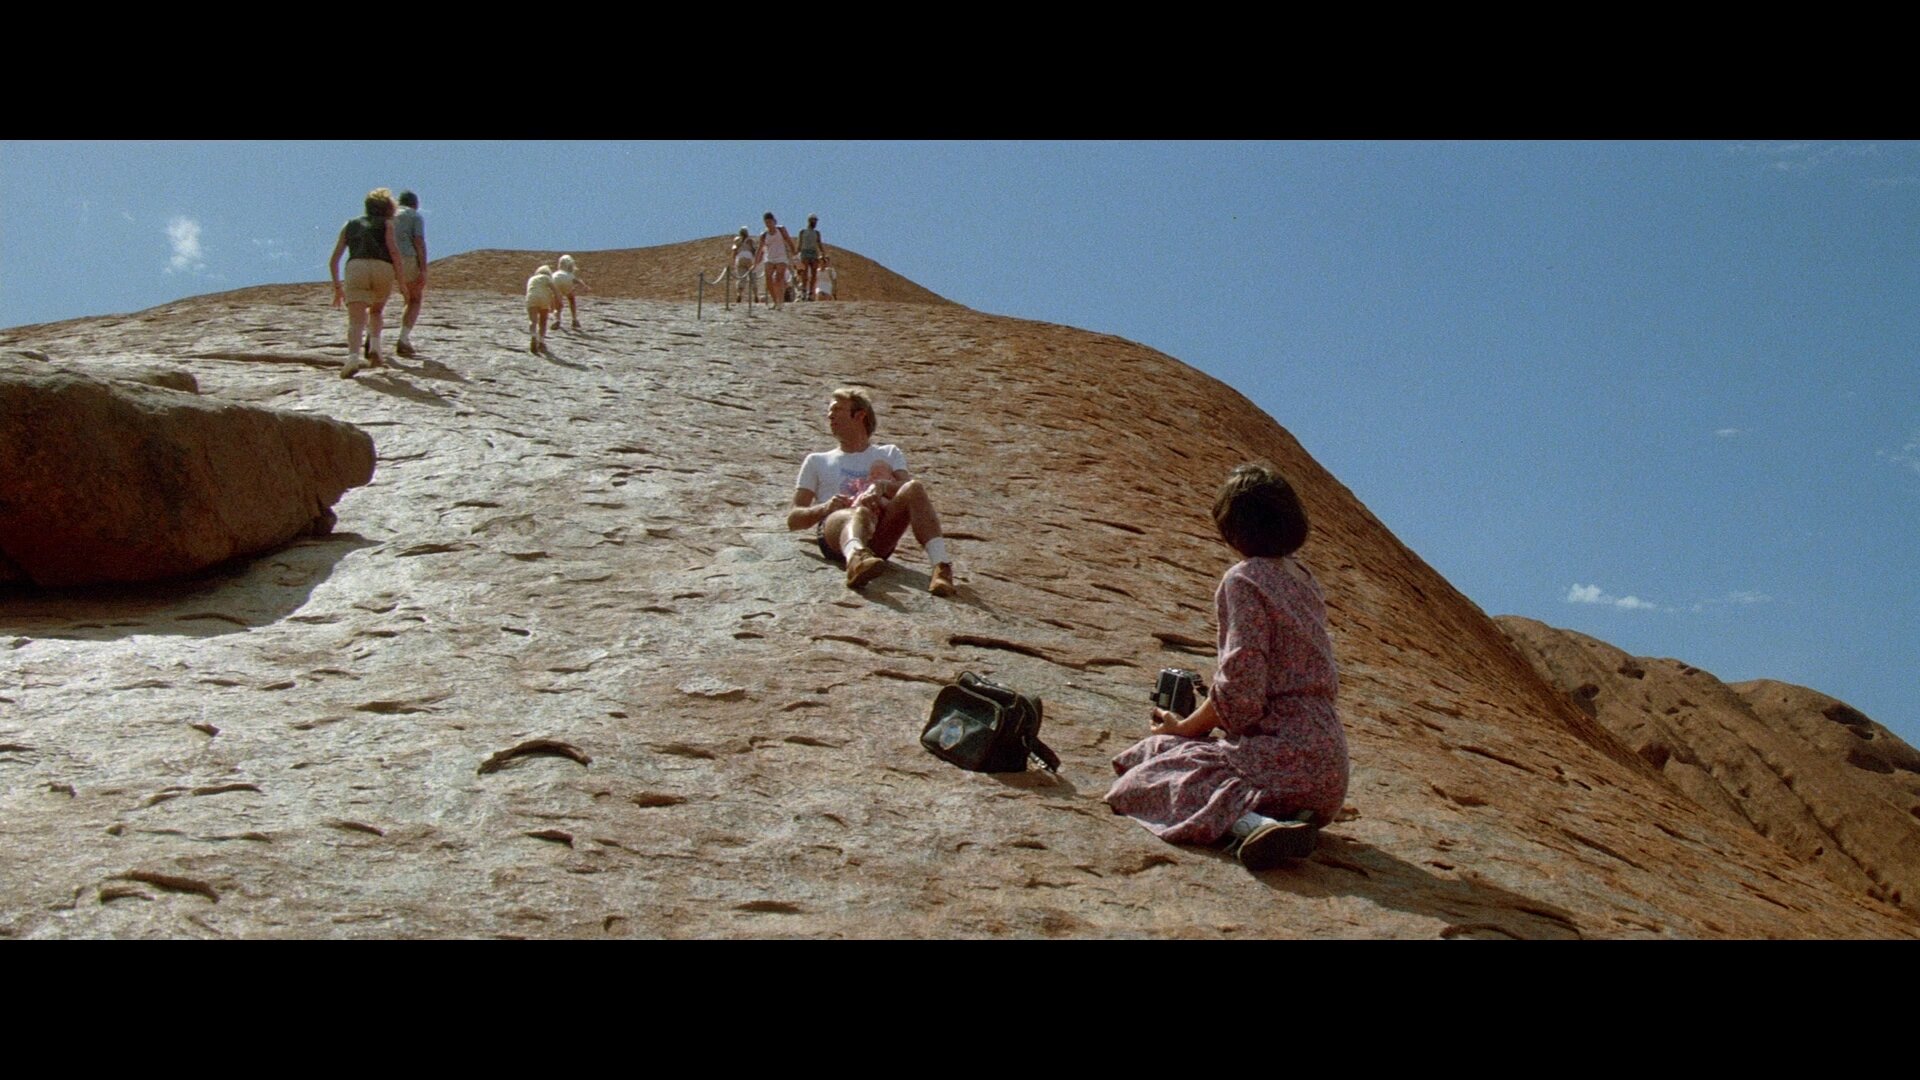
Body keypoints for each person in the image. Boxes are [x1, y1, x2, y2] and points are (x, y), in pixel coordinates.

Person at [1105, 462, 1347, 871]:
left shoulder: (1244, 579)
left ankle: (1254, 825)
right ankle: (1279, 821)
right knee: (1156, 751)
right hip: (1327, 770)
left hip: (1285, 756)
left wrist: (1185, 727)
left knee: (1145, 777)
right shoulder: (1304, 578)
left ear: (1233, 529)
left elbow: (1241, 687)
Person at [787, 387, 957, 597]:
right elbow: (793, 519)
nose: (830, 415)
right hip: (834, 533)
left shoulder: (889, 453)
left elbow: (907, 490)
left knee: (915, 487)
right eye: (830, 411)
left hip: (879, 535)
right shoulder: (817, 461)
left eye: (837, 409)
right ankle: (855, 558)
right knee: (859, 512)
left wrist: (882, 486)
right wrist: (824, 508)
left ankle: (941, 567)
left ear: (860, 415)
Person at [328, 187, 405, 378]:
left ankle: (353, 358)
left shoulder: (350, 225)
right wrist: (402, 282)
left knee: (356, 320)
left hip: (357, 267)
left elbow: (334, 259)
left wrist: (337, 288)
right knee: (376, 311)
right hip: (383, 268)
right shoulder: (387, 225)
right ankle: (376, 349)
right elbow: (394, 252)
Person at [391, 190, 427, 358]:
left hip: (385, 258)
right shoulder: (415, 216)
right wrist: (423, 268)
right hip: (406, 257)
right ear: (416, 204)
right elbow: (418, 241)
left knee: (378, 300)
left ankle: (372, 337)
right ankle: (403, 338)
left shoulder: (388, 215)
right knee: (414, 298)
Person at [756, 211, 797, 310]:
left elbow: (789, 241)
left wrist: (795, 254)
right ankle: (775, 301)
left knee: (779, 279)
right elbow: (760, 249)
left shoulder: (781, 230)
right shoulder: (764, 235)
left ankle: (780, 301)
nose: (768, 224)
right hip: (769, 257)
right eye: (766, 223)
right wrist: (755, 262)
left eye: (770, 222)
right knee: (768, 279)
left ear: (774, 221)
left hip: (781, 257)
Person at [525, 264, 560, 353]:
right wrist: (558, 301)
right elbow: (555, 291)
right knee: (543, 321)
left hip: (531, 298)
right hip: (544, 299)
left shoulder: (532, 279)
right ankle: (541, 341)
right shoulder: (547, 278)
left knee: (532, 320)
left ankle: (533, 336)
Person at [552, 254, 589, 330]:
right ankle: (574, 319)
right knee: (571, 299)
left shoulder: (556, 273)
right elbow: (576, 280)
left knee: (557, 303)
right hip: (567, 282)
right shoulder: (569, 274)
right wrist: (584, 286)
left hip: (555, 281)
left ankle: (557, 320)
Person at [796, 214, 827, 300]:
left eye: (816, 221)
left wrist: (823, 253)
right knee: (804, 273)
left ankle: (811, 293)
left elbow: (819, 243)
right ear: (809, 220)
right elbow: (799, 244)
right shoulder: (802, 232)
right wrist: (796, 255)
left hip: (814, 253)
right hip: (804, 252)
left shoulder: (817, 233)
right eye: (814, 220)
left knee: (814, 274)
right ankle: (803, 291)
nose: (815, 222)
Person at [729, 227, 757, 304]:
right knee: (753, 277)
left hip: (740, 258)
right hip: (749, 258)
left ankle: (739, 294)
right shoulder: (750, 240)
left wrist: (733, 261)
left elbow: (734, 251)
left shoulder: (737, 240)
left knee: (741, 277)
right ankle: (755, 295)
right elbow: (754, 250)